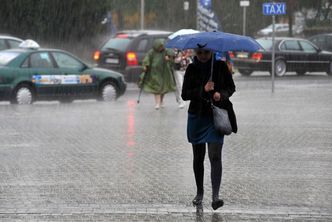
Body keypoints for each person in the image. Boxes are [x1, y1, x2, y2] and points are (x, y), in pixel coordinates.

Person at [181, 48, 237, 211]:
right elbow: (185, 94)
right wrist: (203, 90)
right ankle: (200, 192)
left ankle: (215, 196)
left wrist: (221, 94)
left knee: (215, 155)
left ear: (211, 52)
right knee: (198, 157)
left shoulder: (220, 67)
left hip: (215, 117)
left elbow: (231, 87)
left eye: (206, 52)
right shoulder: (192, 69)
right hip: (197, 118)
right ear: (195, 53)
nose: (203, 56)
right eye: (200, 53)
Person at [141, 39, 176, 110]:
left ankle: (161, 101)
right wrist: (145, 65)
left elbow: (172, 57)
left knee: (163, 88)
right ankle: (157, 103)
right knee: (156, 87)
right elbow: (147, 58)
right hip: (155, 72)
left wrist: (168, 58)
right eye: (160, 46)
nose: (161, 48)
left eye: (162, 46)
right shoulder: (152, 52)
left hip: (165, 72)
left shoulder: (166, 51)